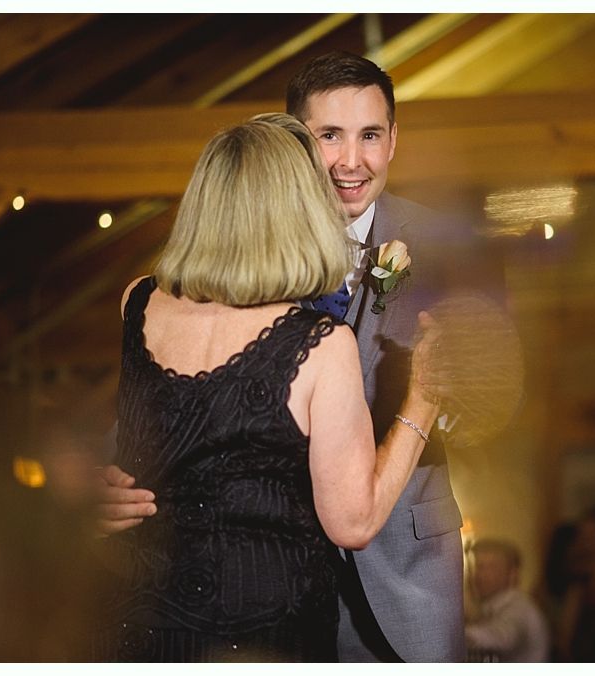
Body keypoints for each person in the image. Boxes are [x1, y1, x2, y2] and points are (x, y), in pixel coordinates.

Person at [94, 52, 468, 662]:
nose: (348, 162)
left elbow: (154, 425)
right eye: (328, 139)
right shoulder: (299, 323)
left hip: (160, 615)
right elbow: (140, 425)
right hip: (270, 611)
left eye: (369, 135)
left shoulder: (139, 301)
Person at [465, 539, 550, 662]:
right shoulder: (489, 607)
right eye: (479, 566)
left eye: (492, 567)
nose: (481, 574)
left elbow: (502, 637)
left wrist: (446, 635)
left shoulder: (519, 607)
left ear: (513, 573)